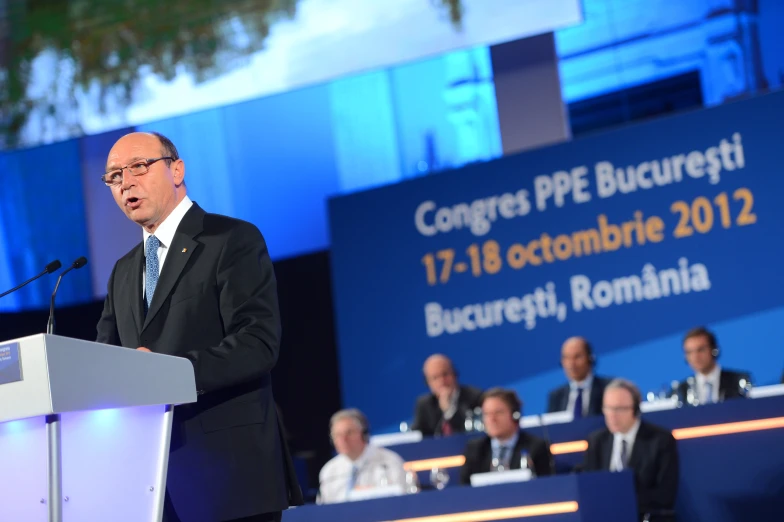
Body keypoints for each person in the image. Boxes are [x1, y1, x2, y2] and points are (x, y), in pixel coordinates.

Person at [95, 132, 303, 522]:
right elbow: (104, 360)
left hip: (229, 477)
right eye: (114, 176)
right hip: (149, 486)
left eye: (139, 166)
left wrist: (167, 373)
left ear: (177, 169)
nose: (126, 182)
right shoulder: (123, 272)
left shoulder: (231, 239)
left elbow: (257, 343)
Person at [583, 379, 679, 520]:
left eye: (619, 409)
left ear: (635, 408)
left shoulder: (660, 440)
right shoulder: (596, 441)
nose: (612, 415)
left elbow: (665, 496)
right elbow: (590, 488)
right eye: (607, 408)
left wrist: (621, 502)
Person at [459, 388, 552, 484]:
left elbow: (546, 487)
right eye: (487, 414)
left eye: (498, 412)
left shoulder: (536, 447)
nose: (492, 419)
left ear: (515, 415)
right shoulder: (475, 449)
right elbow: (464, 488)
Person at [317, 409, 408, 504]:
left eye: (349, 433)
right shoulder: (329, 471)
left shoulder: (389, 462)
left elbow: (403, 500)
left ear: (364, 434)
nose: (343, 439)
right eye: (337, 435)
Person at [411, 354, 483, 437]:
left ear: (454, 374)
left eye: (445, 374)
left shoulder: (475, 397)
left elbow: (471, 434)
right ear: (428, 383)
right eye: (435, 377)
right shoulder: (424, 404)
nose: (442, 381)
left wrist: (449, 411)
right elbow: (416, 436)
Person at [677, 326, 751, 405]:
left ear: (714, 350)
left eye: (701, 350)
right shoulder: (681, 390)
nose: (696, 357)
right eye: (689, 352)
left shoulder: (738, 381)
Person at [547, 336, 611, 418]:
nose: (571, 364)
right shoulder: (556, 396)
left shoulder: (608, 388)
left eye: (577, 357)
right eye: (566, 358)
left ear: (590, 358)